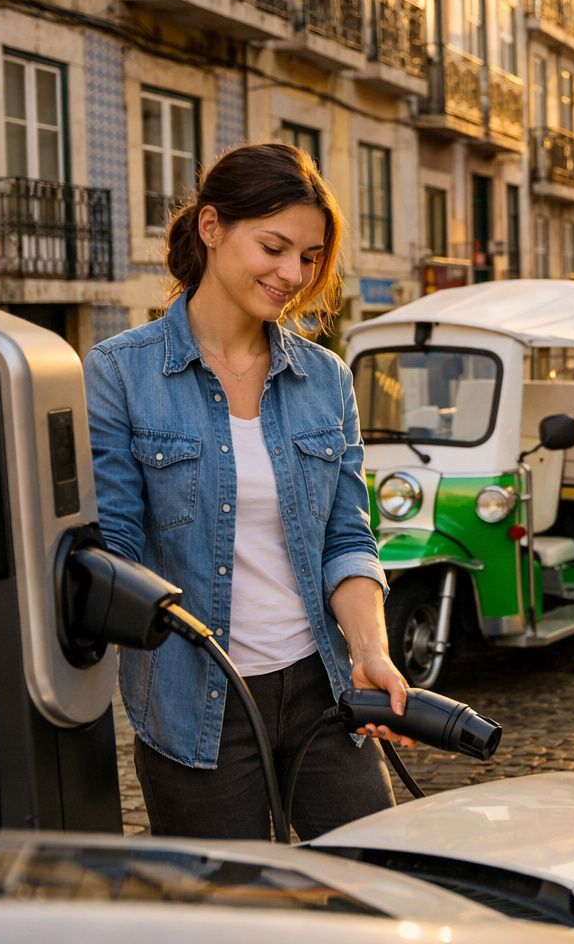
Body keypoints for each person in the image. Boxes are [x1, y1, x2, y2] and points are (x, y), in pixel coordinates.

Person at [85, 143, 412, 842]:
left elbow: (347, 537)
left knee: (376, 880)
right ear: (211, 227)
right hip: (194, 705)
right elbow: (112, 552)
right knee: (232, 900)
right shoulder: (120, 374)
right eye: (274, 247)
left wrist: (371, 651)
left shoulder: (326, 379)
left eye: (311, 257)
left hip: (323, 689)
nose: (293, 274)